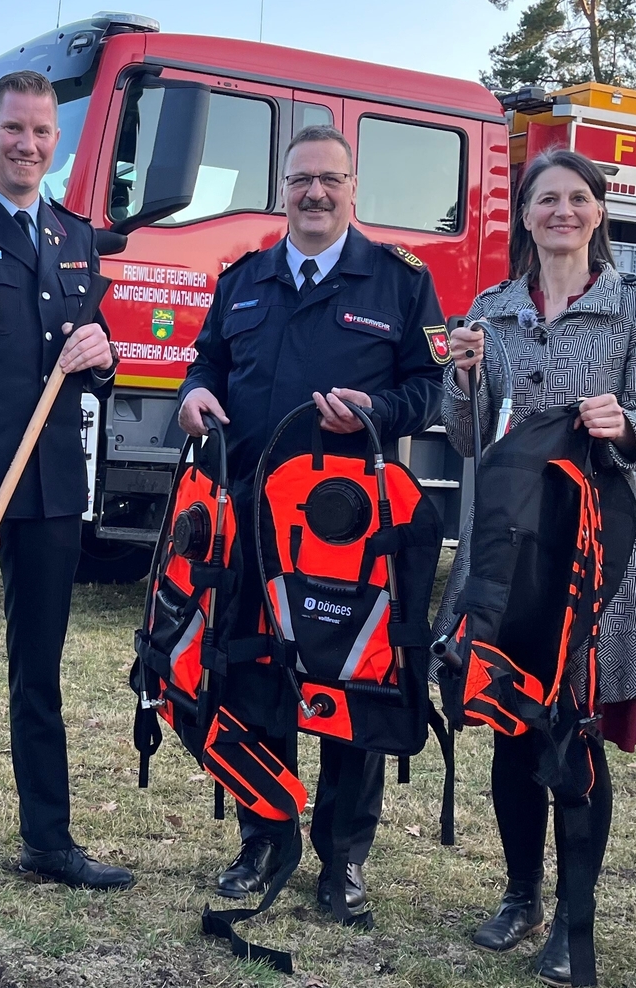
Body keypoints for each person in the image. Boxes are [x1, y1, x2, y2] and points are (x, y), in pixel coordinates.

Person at [178, 124, 446, 912]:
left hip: (348, 534)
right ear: (283, 189)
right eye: (301, 180)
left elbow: (429, 390)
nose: (315, 193)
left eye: (330, 179)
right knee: (254, 679)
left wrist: (374, 410)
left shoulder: (399, 281)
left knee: (350, 687)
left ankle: (342, 861)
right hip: (252, 524)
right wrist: (193, 394)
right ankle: (264, 844)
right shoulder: (245, 276)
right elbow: (208, 362)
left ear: (353, 188)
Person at [437, 148, 636, 986]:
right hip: (507, 544)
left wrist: (625, 425)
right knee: (510, 717)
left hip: (592, 545)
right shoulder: (491, 308)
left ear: (599, 211)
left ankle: (576, 923)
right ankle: (519, 894)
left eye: (578, 198)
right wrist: (462, 379)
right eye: (547, 199)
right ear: (527, 215)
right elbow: (466, 436)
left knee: (574, 732)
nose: (562, 211)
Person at [0, 71, 128, 889]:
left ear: (56, 141)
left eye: (42, 131)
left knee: (41, 672)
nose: (28, 144)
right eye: (13, 128)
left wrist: (103, 354)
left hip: (49, 491)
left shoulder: (73, 235)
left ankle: (48, 843)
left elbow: (96, 356)